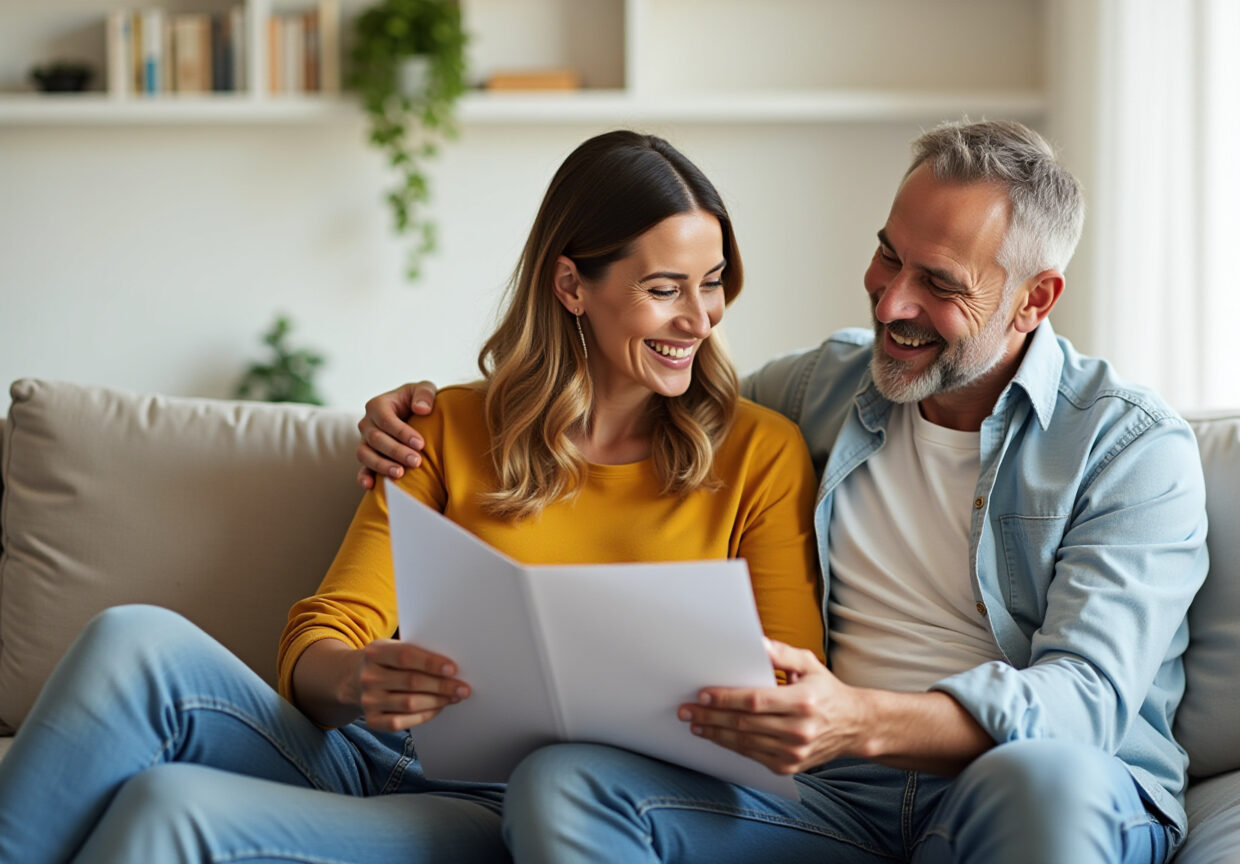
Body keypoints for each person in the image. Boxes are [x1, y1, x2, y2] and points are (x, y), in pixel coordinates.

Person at [357, 119, 1210, 864]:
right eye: (887, 256)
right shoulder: (821, 390)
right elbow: (632, 399)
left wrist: (858, 719)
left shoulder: (1128, 448)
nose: (892, 302)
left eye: (941, 285)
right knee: (567, 783)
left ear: (1035, 301)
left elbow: (1086, 702)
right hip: (833, 800)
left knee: (1042, 780)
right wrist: (431, 415)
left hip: (1026, 788)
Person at [0, 130, 825, 864]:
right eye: (665, 288)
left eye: (713, 283)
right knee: (129, 640)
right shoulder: (448, 427)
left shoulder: (758, 454)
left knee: (167, 805)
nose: (700, 319)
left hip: (518, 806)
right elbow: (322, 632)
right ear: (571, 285)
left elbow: (792, 700)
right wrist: (360, 679)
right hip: (369, 753)